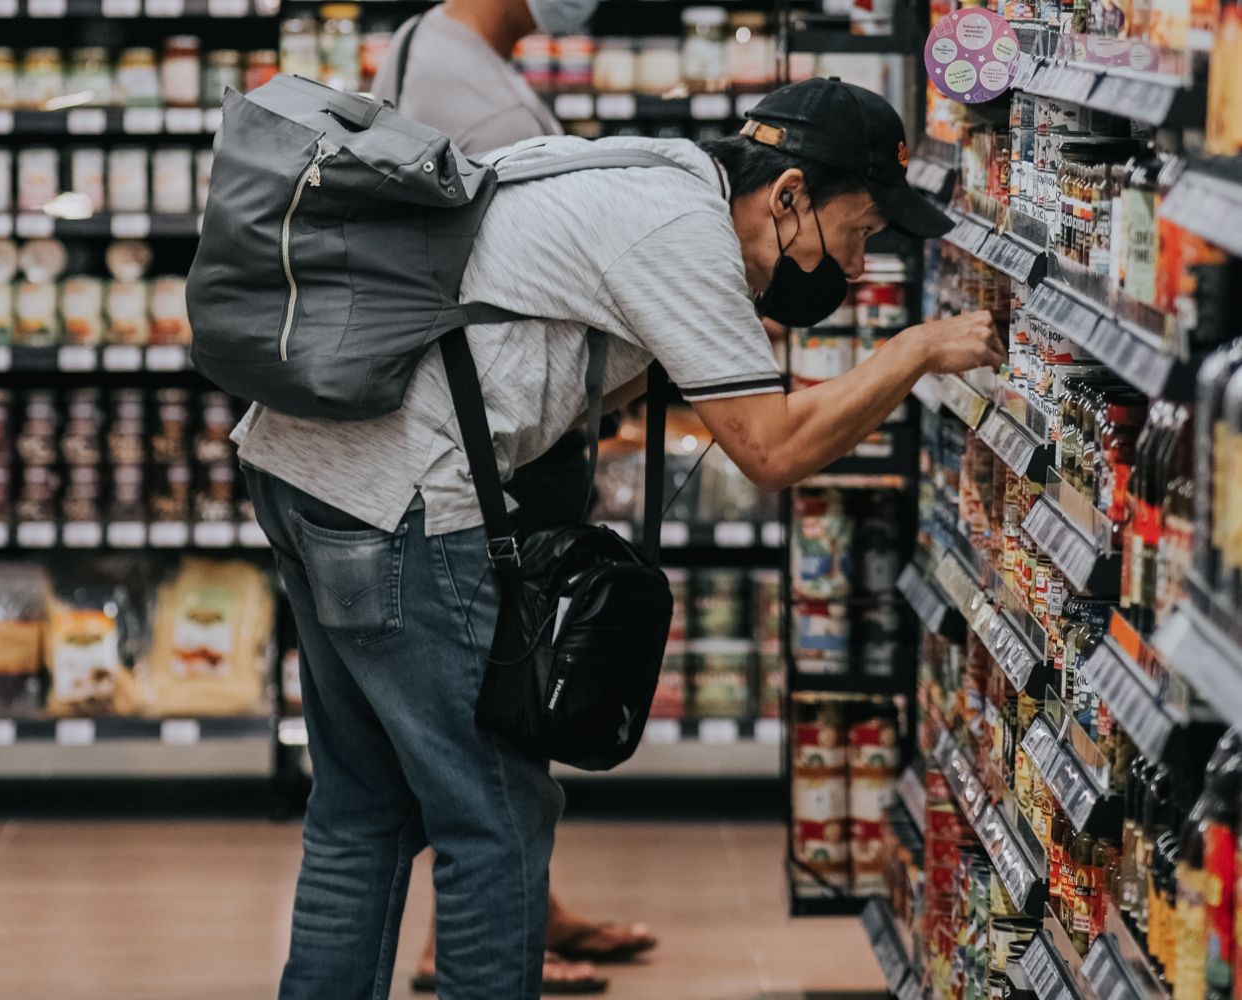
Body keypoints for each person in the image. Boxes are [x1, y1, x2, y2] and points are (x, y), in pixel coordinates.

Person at [236, 76, 1005, 1000]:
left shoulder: (645, 172)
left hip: (300, 468)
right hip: (399, 502)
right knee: (496, 821)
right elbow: (772, 451)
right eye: (863, 231)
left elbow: (529, 341)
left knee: (362, 808)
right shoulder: (680, 231)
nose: (857, 264)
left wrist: (680, 357)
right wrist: (910, 351)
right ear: (791, 195)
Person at [375, 0, 655, 992]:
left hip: (467, 439)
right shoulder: (470, 86)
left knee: (483, 720)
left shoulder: (437, 48)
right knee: (501, 709)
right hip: (490, 452)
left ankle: (535, 906)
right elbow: (533, 278)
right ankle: (470, 938)